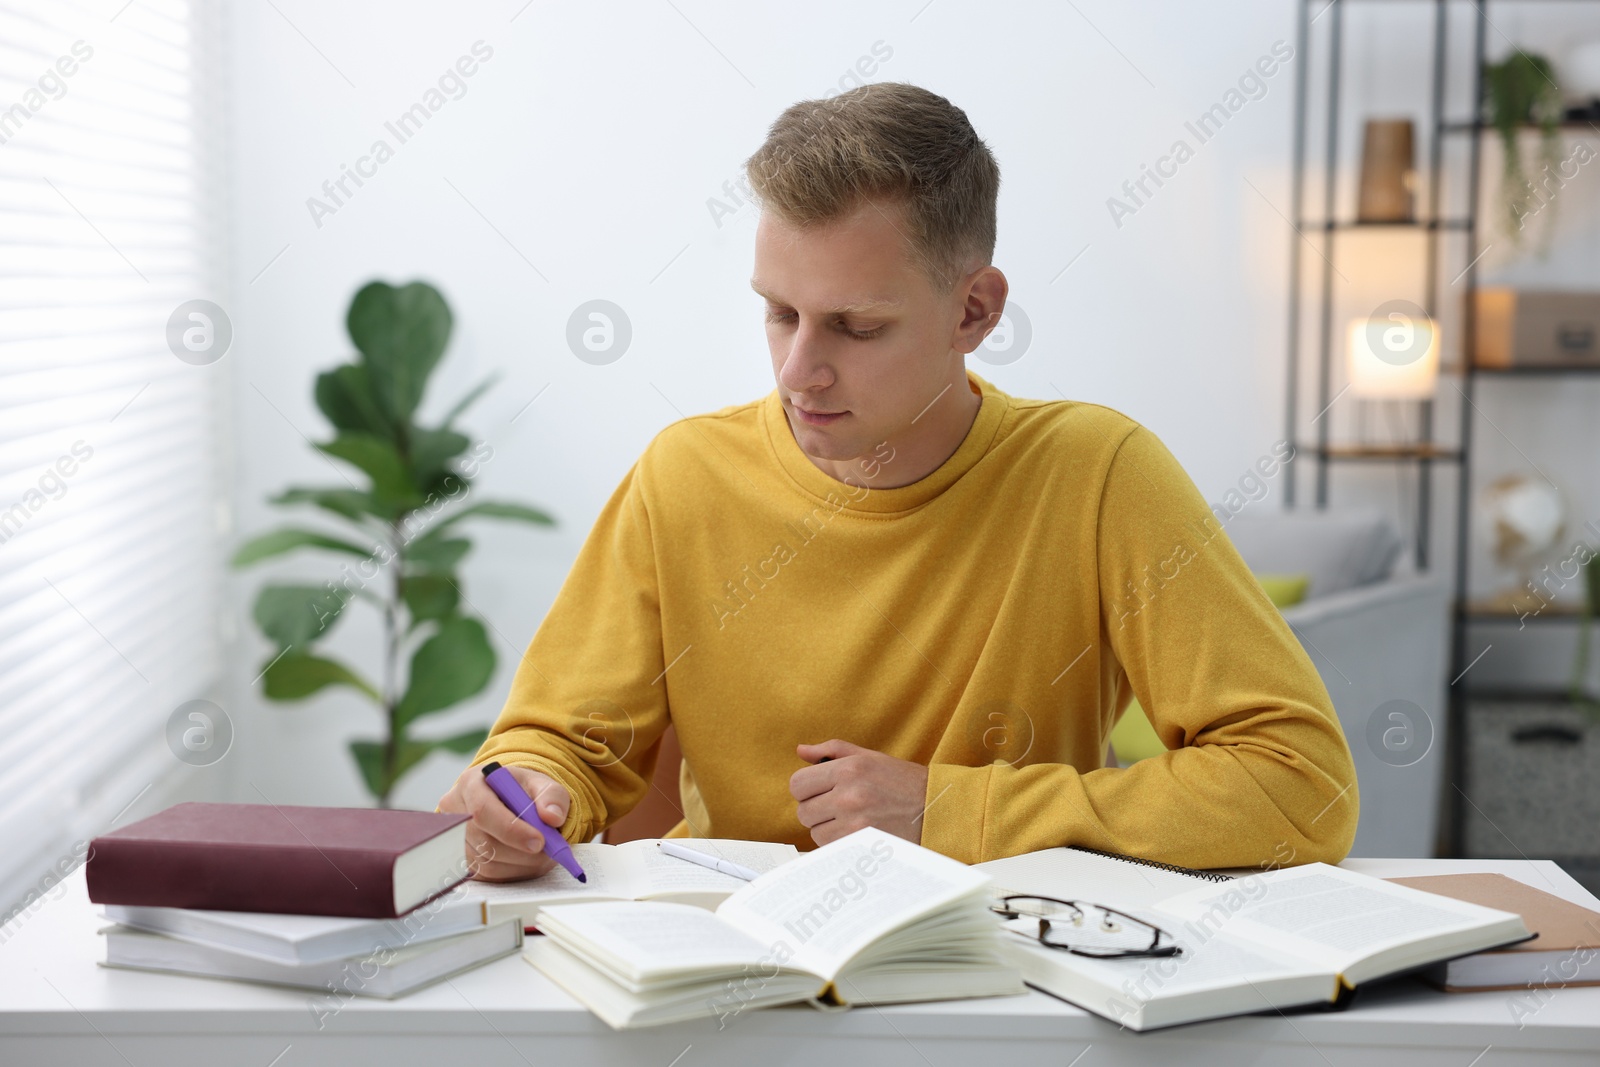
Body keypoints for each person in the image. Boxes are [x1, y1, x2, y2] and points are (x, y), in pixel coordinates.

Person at [437, 82, 1358, 881]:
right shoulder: (684, 473)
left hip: (1003, 985)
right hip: (723, 979)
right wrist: (531, 791)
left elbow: (1298, 786)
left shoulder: (1098, 474)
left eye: (855, 326)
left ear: (973, 310)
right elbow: (555, 742)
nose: (799, 371)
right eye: (780, 312)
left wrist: (952, 814)